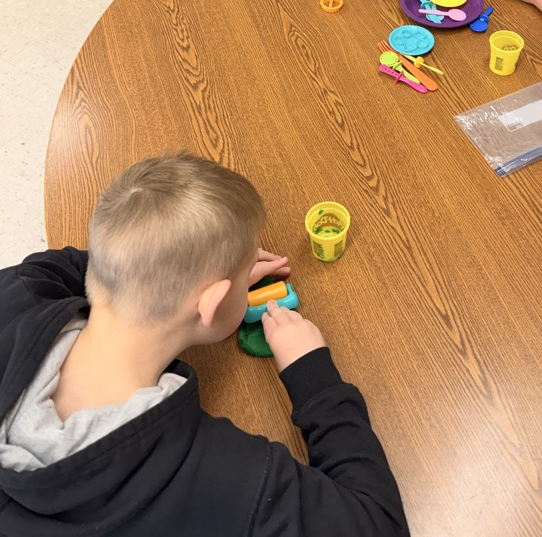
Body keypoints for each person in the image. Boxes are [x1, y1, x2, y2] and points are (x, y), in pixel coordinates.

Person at [0, 154, 410, 535]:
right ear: (212, 305)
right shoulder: (219, 478)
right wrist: (312, 377)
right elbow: (377, 524)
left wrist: (187, 268)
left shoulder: (22, 290)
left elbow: (70, 264)